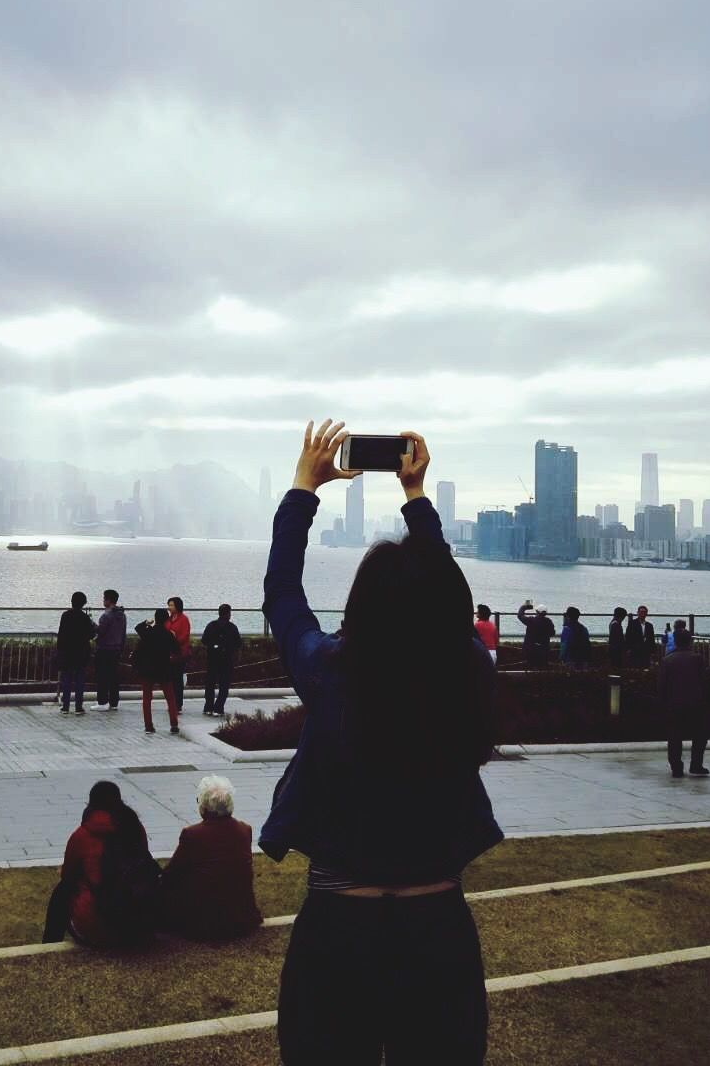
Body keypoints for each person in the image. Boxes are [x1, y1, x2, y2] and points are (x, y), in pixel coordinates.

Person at [261, 421, 501, 1066]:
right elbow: (453, 602)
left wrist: (303, 489)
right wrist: (416, 496)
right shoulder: (468, 670)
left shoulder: (331, 672)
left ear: (359, 608)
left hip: (339, 925)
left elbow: (283, 592)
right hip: (439, 924)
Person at [42, 780, 160, 947]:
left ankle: (49, 943)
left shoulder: (82, 835)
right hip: (139, 921)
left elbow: (68, 875)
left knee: (62, 890)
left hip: (98, 926)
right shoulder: (135, 827)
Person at [159, 774, 263, 940]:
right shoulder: (245, 829)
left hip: (205, 919)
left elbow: (172, 874)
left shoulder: (192, 834)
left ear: (204, 806)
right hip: (241, 914)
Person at [658, 627, 709, 778]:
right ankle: (696, 765)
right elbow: (704, 681)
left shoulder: (667, 660)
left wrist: (662, 704)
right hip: (696, 703)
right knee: (700, 735)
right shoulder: (698, 658)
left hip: (673, 704)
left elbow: (662, 685)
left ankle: (677, 768)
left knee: (674, 737)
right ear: (690, 641)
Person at [132, 610, 180, 734]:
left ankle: (149, 726)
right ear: (166, 620)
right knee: (170, 697)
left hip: (148, 669)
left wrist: (147, 622)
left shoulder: (148, 632)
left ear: (155, 618)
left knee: (147, 698)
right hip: (164, 668)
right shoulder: (168, 634)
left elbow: (138, 628)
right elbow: (176, 651)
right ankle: (174, 724)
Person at [56, 592, 96, 714]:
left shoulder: (65, 615)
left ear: (72, 601)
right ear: (83, 603)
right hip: (81, 652)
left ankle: (65, 706)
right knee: (79, 680)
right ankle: (79, 706)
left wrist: (60, 650)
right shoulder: (85, 618)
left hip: (67, 652)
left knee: (66, 680)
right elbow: (91, 635)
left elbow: (61, 634)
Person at [201, 604, 242, 715]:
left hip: (212, 658)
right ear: (228, 614)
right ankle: (218, 707)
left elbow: (204, 640)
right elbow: (238, 643)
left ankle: (208, 706)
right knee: (224, 685)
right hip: (226, 659)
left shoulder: (211, 625)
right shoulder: (232, 627)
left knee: (210, 683)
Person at [94, 589, 126, 710]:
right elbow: (123, 634)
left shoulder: (106, 615)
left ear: (108, 600)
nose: (103, 601)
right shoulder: (122, 615)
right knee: (114, 677)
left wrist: (92, 625)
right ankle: (114, 702)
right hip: (116, 649)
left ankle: (102, 702)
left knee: (102, 676)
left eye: (104, 598)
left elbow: (100, 631)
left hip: (104, 649)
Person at [166, 596, 191, 713]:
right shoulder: (169, 619)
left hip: (180, 653)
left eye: (171, 605)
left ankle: (178, 704)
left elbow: (185, 636)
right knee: (169, 679)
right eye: (169, 605)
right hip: (169, 653)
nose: (169, 607)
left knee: (177, 679)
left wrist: (174, 640)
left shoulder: (184, 619)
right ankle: (171, 702)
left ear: (177, 606)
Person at [516, 600, 555, 670]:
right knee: (542, 667)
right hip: (544, 649)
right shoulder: (548, 622)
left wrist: (523, 607)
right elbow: (552, 633)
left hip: (530, 649)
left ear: (537, 612)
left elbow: (520, 616)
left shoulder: (531, 620)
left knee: (530, 666)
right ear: (545, 613)